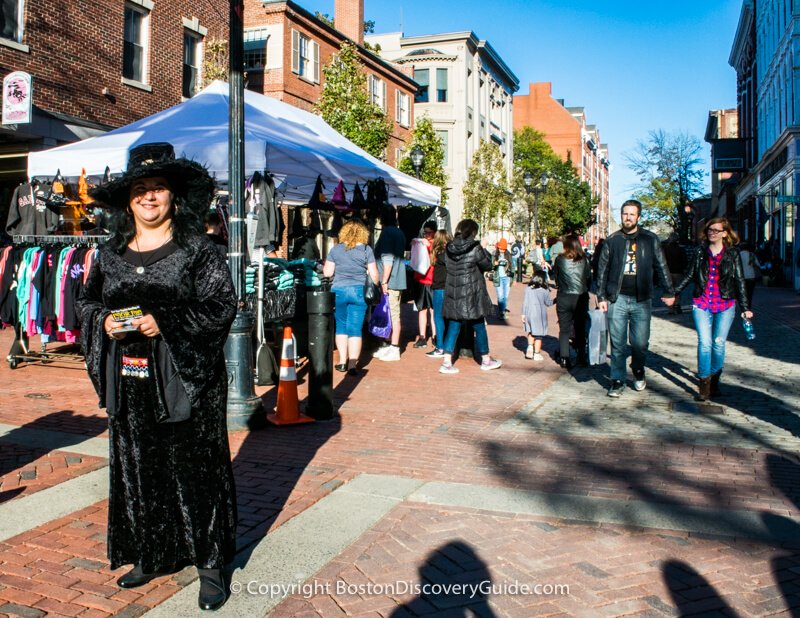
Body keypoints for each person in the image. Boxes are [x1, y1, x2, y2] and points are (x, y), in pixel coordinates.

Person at [75, 143, 237, 611]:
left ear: (174, 198)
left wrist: (162, 320)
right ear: (128, 199)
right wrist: (103, 323)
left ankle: (209, 565)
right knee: (139, 467)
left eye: (158, 189)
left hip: (186, 379)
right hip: (130, 380)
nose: (149, 197)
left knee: (196, 470)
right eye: (141, 189)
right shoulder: (108, 255)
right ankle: (154, 552)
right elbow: (87, 304)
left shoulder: (198, 251)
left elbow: (220, 306)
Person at [596, 199, 675, 397]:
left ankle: (638, 369)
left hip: (642, 298)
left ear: (639, 217)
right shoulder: (613, 240)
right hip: (618, 298)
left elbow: (661, 265)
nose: (628, 217)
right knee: (618, 343)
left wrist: (669, 291)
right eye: (625, 214)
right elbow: (602, 270)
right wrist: (601, 296)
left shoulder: (650, 239)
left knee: (640, 343)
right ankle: (617, 380)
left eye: (632, 214)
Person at [673, 218, 752, 401]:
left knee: (718, 344)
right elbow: (690, 274)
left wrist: (745, 307)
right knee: (705, 343)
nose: (712, 233)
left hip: (725, 304)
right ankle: (704, 384)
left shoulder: (732, 254)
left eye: (716, 230)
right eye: (710, 229)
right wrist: (674, 292)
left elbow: (739, 280)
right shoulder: (700, 252)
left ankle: (715, 380)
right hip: (702, 303)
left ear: (725, 233)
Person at [439, 219, 502, 374]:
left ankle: (446, 361)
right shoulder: (475, 247)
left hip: (454, 291)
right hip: (472, 292)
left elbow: (446, 263)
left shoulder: (449, 247)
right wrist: (485, 248)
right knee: (479, 325)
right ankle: (486, 360)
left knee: (453, 326)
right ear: (473, 231)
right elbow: (487, 265)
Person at [323, 220, 380, 376]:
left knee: (341, 325)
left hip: (339, 290)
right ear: (363, 233)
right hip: (359, 291)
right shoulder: (366, 250)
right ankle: (352, 364)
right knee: (355, 328)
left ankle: (342, 361)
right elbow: (375, 275)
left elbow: (327, 273)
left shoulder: (335, 250)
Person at [373, 205, 407, 361]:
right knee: (391, 312)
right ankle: (389, 345)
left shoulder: (387, 233)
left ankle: (394, 348)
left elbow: (387, 259)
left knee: (392, 313)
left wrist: (384, 281)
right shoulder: (399, 232)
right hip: (397, 278)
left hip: (391, 280)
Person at [552, 234, 591, 368]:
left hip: (564, 296)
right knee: (580, 328)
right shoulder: (584, 260)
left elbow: (555, 277)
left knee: (564, 329)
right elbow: (588, 277)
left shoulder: (559, 259)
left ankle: (564, 358)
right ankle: (581, 357)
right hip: (580, 297)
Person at [426, 228, 452, 358]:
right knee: (447, 317)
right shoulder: (451, 253)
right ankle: (447, 345)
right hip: (450, 288)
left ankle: (440, 347)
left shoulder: (440, 254)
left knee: (438, 317)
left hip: (440, 288)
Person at [412, 221, 437, 348]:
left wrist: (429, 246)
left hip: (431, 280)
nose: (426, 234)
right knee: (421, 309)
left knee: (433, 310)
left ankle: (435, 336)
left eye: (429, 232)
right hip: (420, 280)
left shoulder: (436, 245)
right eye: (425, 232)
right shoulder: (421, 242)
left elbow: (436, 258)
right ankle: (422, 336)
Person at [521, 270, 552, 360]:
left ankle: (530, 347)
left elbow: (525, 302)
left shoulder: (528, 289)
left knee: (531, 331)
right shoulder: (545, 290)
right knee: (539, 336)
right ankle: (537, 353)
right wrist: (555, 300)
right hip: (539, 314)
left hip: (529, 313)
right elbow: (548, 303)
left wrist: (523, 314)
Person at [662, 238, 688, 314]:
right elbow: (685, 260)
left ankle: (670, 308)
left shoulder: (666, 249)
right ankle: (677, 305)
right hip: (678, 272)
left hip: (668, 272)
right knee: (677, 289)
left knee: (669, 289)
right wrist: (684, 269)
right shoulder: (681, 249)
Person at [492, 238, 514, 319]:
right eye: (501, 248)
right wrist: (495, 263)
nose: (502, 250)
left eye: (504, 249)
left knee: (506, 296)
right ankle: (501, 312)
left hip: (507, 277)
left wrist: (513, 278)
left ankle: (503, 311)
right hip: (498, 277)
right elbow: (490, 265)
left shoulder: (508, 254)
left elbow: (512, 266)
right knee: (500, 296)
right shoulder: (494, 254)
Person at [738, 242, 761, 307]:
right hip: (751, 276)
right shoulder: (752, 255)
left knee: (742, 293)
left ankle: (743, 305)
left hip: (741, 277)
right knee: (750, 293)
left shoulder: (738, 255)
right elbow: (758, 265)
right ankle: (748, 306)